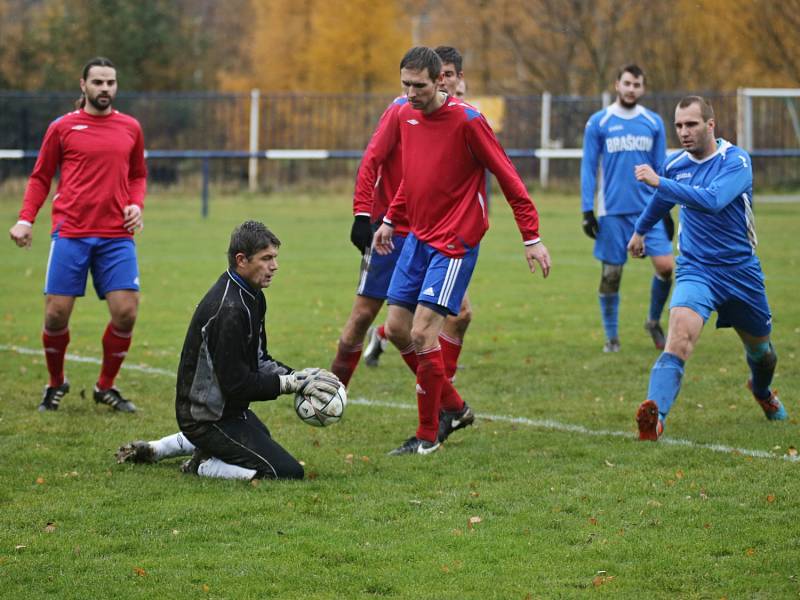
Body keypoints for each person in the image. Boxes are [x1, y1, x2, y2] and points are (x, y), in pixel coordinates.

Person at [373, 47, 551, 455]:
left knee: (422, 332)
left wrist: (532, 236)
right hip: (416, 238)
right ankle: (454, 407)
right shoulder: (404, 114)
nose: (411, 93)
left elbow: (509, 178)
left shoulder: (469, 122)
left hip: (454, 243)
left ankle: (426, 433)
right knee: (398, 329)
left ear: (441, 81)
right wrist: (389, 219)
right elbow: (414, 179)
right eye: (405, 85)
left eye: (419, 86)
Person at [118, 221, 342, 480]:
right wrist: (290, 383)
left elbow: (258, 359)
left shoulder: (253, 295)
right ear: (241, 260)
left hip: (227, 411)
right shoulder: (230, 311)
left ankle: (160, 448)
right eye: (266, 258)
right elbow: (237, 384)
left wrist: (301, 377)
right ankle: (201, 466)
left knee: (262, 439)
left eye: (275, 258)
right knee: (286, 472)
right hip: (206, 418)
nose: (274, 266)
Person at [628, 96, 787, 441]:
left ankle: (762, 392)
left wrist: (660, 181)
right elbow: (662, 202)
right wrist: (640, 230)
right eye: (679, 126)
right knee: (679, 339)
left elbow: (713, 200)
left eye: (691, 124)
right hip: (696, 269)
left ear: (710, 125)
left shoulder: (736, 161)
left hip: (741, 272)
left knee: (762, 354)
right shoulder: (675, 165)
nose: (684, 132)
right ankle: (655, 418)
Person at [8, 57, 147, 412]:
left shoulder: (131, 127)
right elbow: (40, 177)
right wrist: (26, 219)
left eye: (110, 82)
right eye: (98, 82)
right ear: (83, 85)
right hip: (71, 232)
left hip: (117, 235)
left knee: (126, 312)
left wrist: (136, 205)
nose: (105, 88)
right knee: (56, 315)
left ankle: (106, 386)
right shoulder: (62, 127)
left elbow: (138, 175)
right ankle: (56, 383)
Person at [333, 46, 472, 387]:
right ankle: (331, 391)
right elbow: (371, 161)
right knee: (364, 315)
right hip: (390, 232)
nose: (447, 83)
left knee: (459, 315)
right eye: (443, 76)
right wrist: (362, 215)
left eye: (452, 76)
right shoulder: (400, 111)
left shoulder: (462, 117)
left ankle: (442, 392)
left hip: (437, 234)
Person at [581, 64, 674, 353]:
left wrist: (666, 207)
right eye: (627, 83)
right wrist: (587, 209)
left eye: (637, 84)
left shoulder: (653, 122)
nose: (631, 89)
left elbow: (661, 168)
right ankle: (612, 337)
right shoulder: (599, 121)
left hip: (649, 209)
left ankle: (652, 321)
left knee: (666, 267)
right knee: (611, 274)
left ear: (643, 88)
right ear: (617, 84)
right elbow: (588, 166)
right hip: (613, 212)